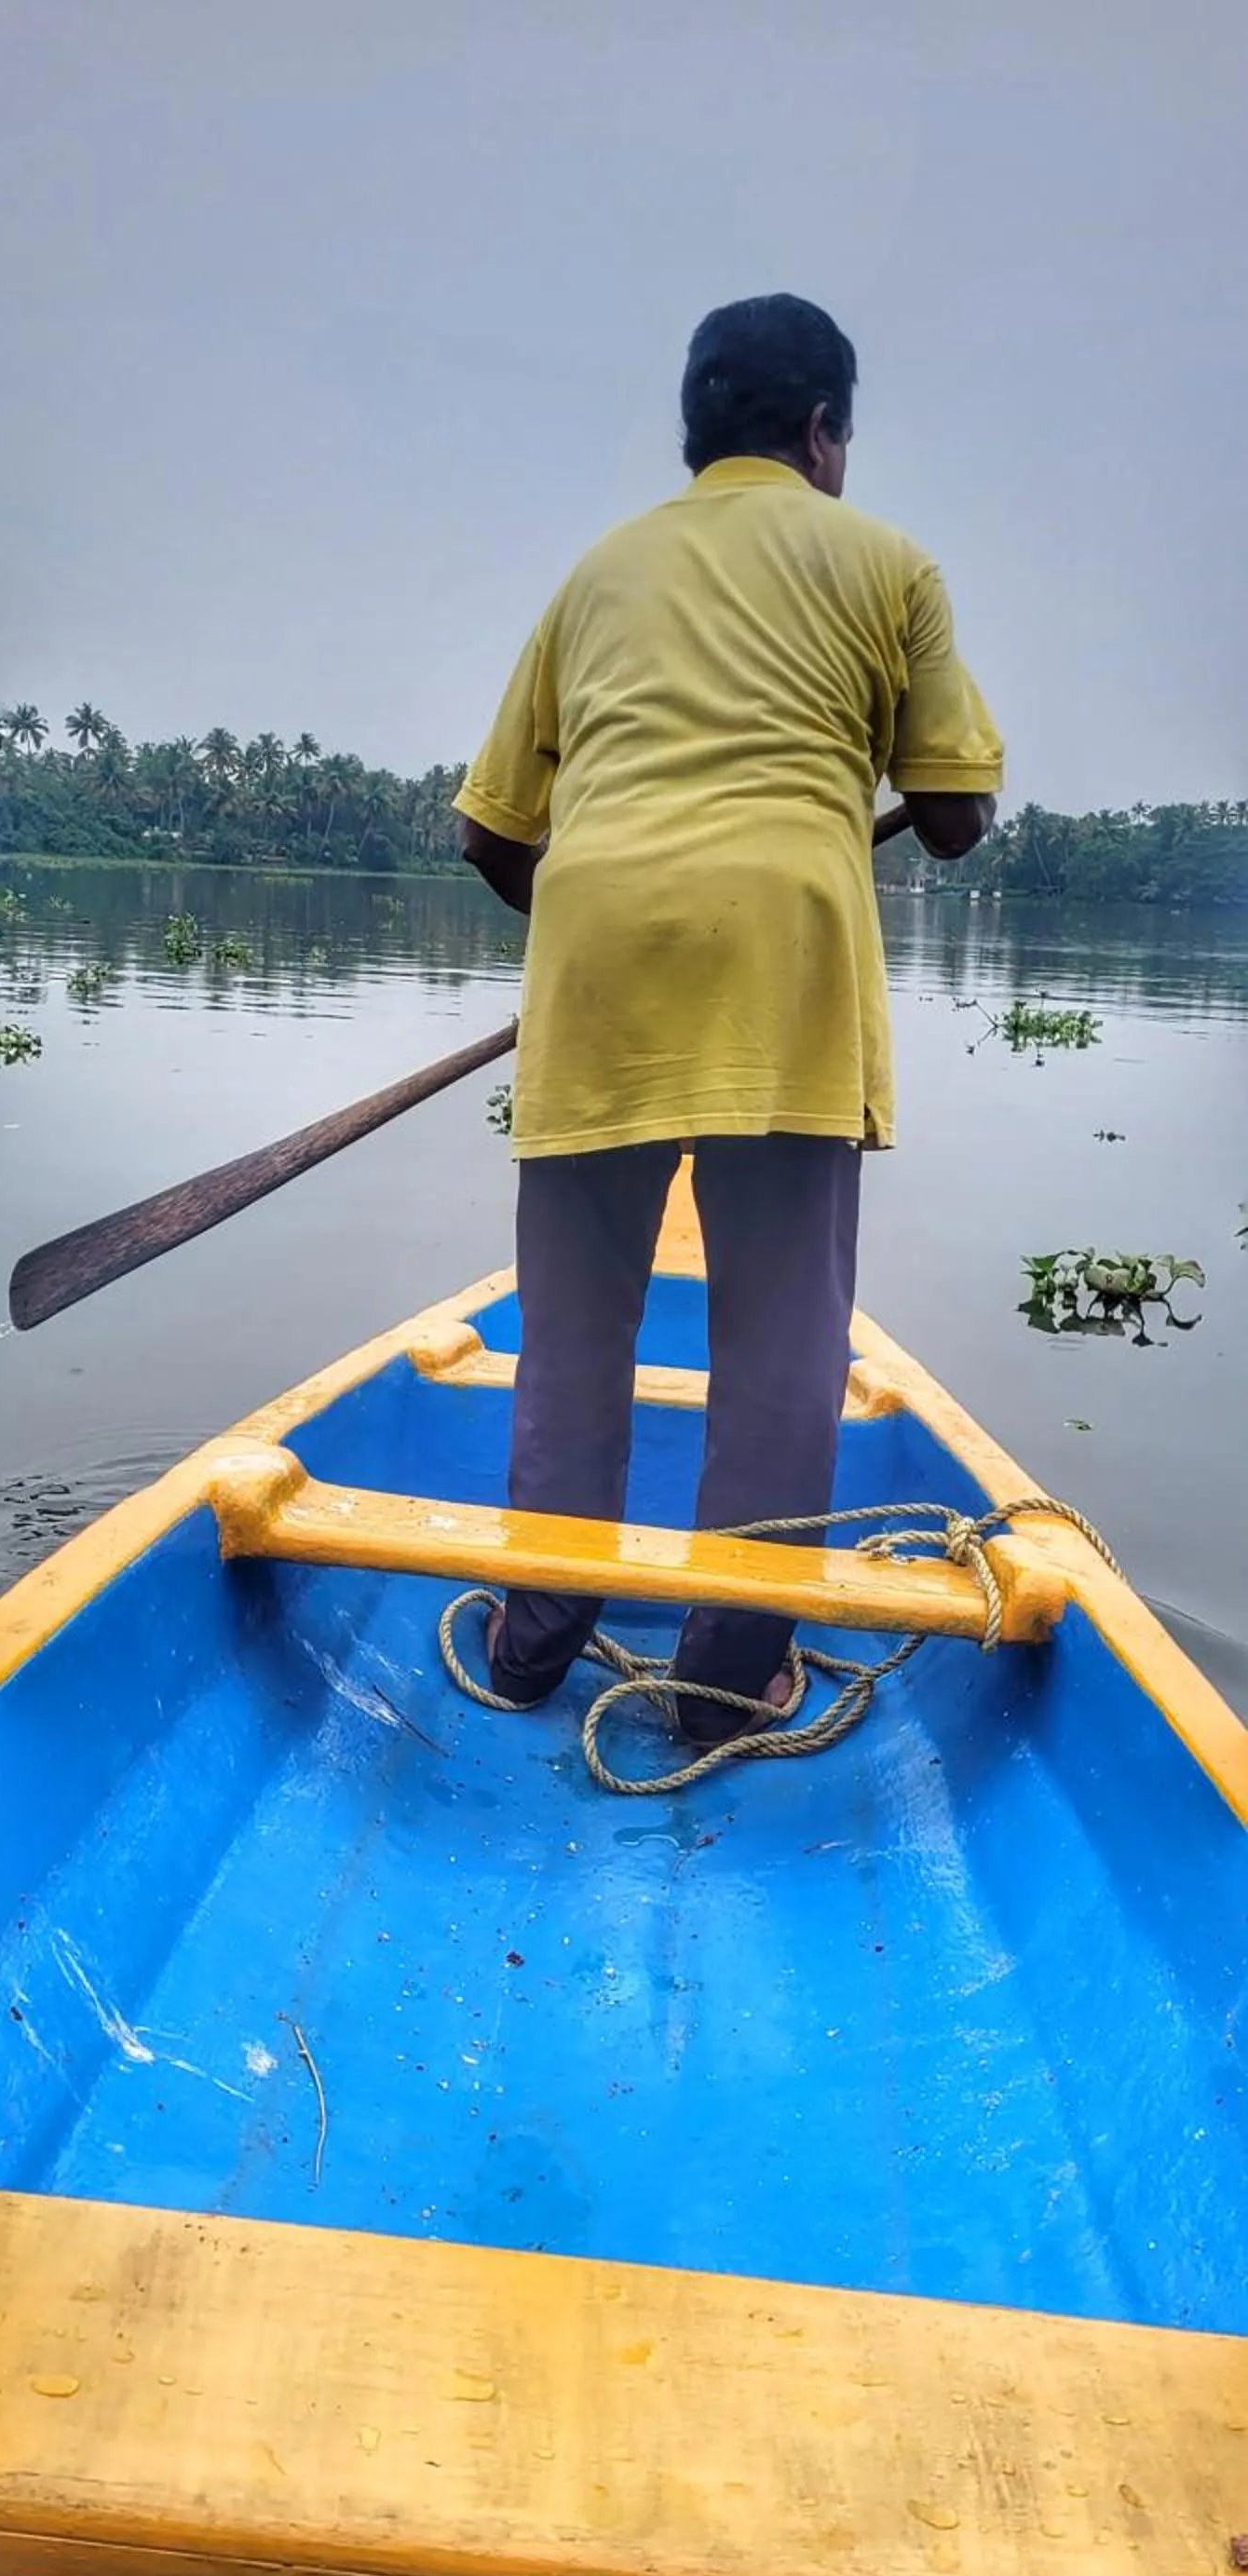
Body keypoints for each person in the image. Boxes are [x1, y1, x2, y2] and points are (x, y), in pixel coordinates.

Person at [454, 291, 1002, 1742]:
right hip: (786, 969)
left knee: (572, 1329)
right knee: (779, 1345)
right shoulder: (889, 563)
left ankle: (530, 1639)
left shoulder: (598, 573)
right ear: (825, 435)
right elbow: (951, 817)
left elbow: (492, 835)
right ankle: (725, 1673)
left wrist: (599, 940)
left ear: (697, 431)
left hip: (598, 951)